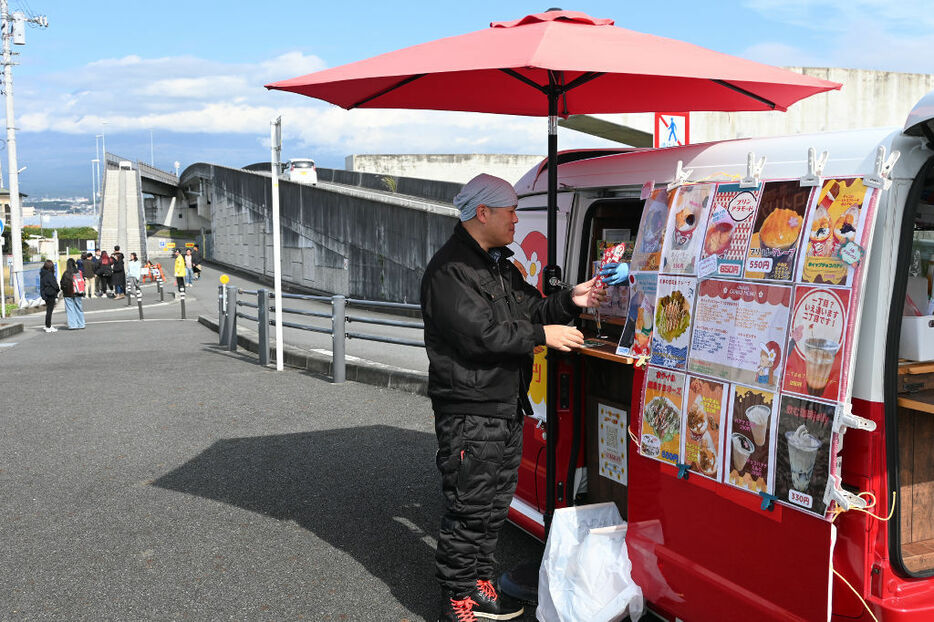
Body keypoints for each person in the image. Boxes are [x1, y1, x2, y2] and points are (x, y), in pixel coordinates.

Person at [420, 174, 602, 622]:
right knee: (469, 507)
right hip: (469, 410)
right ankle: (456, 598)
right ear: (483, 213)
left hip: (501, 406)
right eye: (511, 211)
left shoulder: (498, 265)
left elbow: (532, 307)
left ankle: (479, 581)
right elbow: (481, 336)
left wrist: (570, 301)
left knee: (494, 505)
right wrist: (544, 334)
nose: (516, 220)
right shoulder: (450, 271)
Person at [60, 258, 86, 329]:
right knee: (79, 308)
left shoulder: (66, 273)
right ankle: (81, 324)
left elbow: (63, 284)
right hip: (78, 293)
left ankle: (73, 325)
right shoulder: (78, 272)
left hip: (68, 294)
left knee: (70, 309)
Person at [39, 259, 60, 333]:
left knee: (48, 311)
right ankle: (48, 326)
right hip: (51, 294)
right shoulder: (49, 274)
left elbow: (41, 286)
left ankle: (47, 325)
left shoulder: (42, 274)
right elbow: (55, 285)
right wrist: (57, 290)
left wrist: (43, 295)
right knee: (49, 311)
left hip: (45, 294)